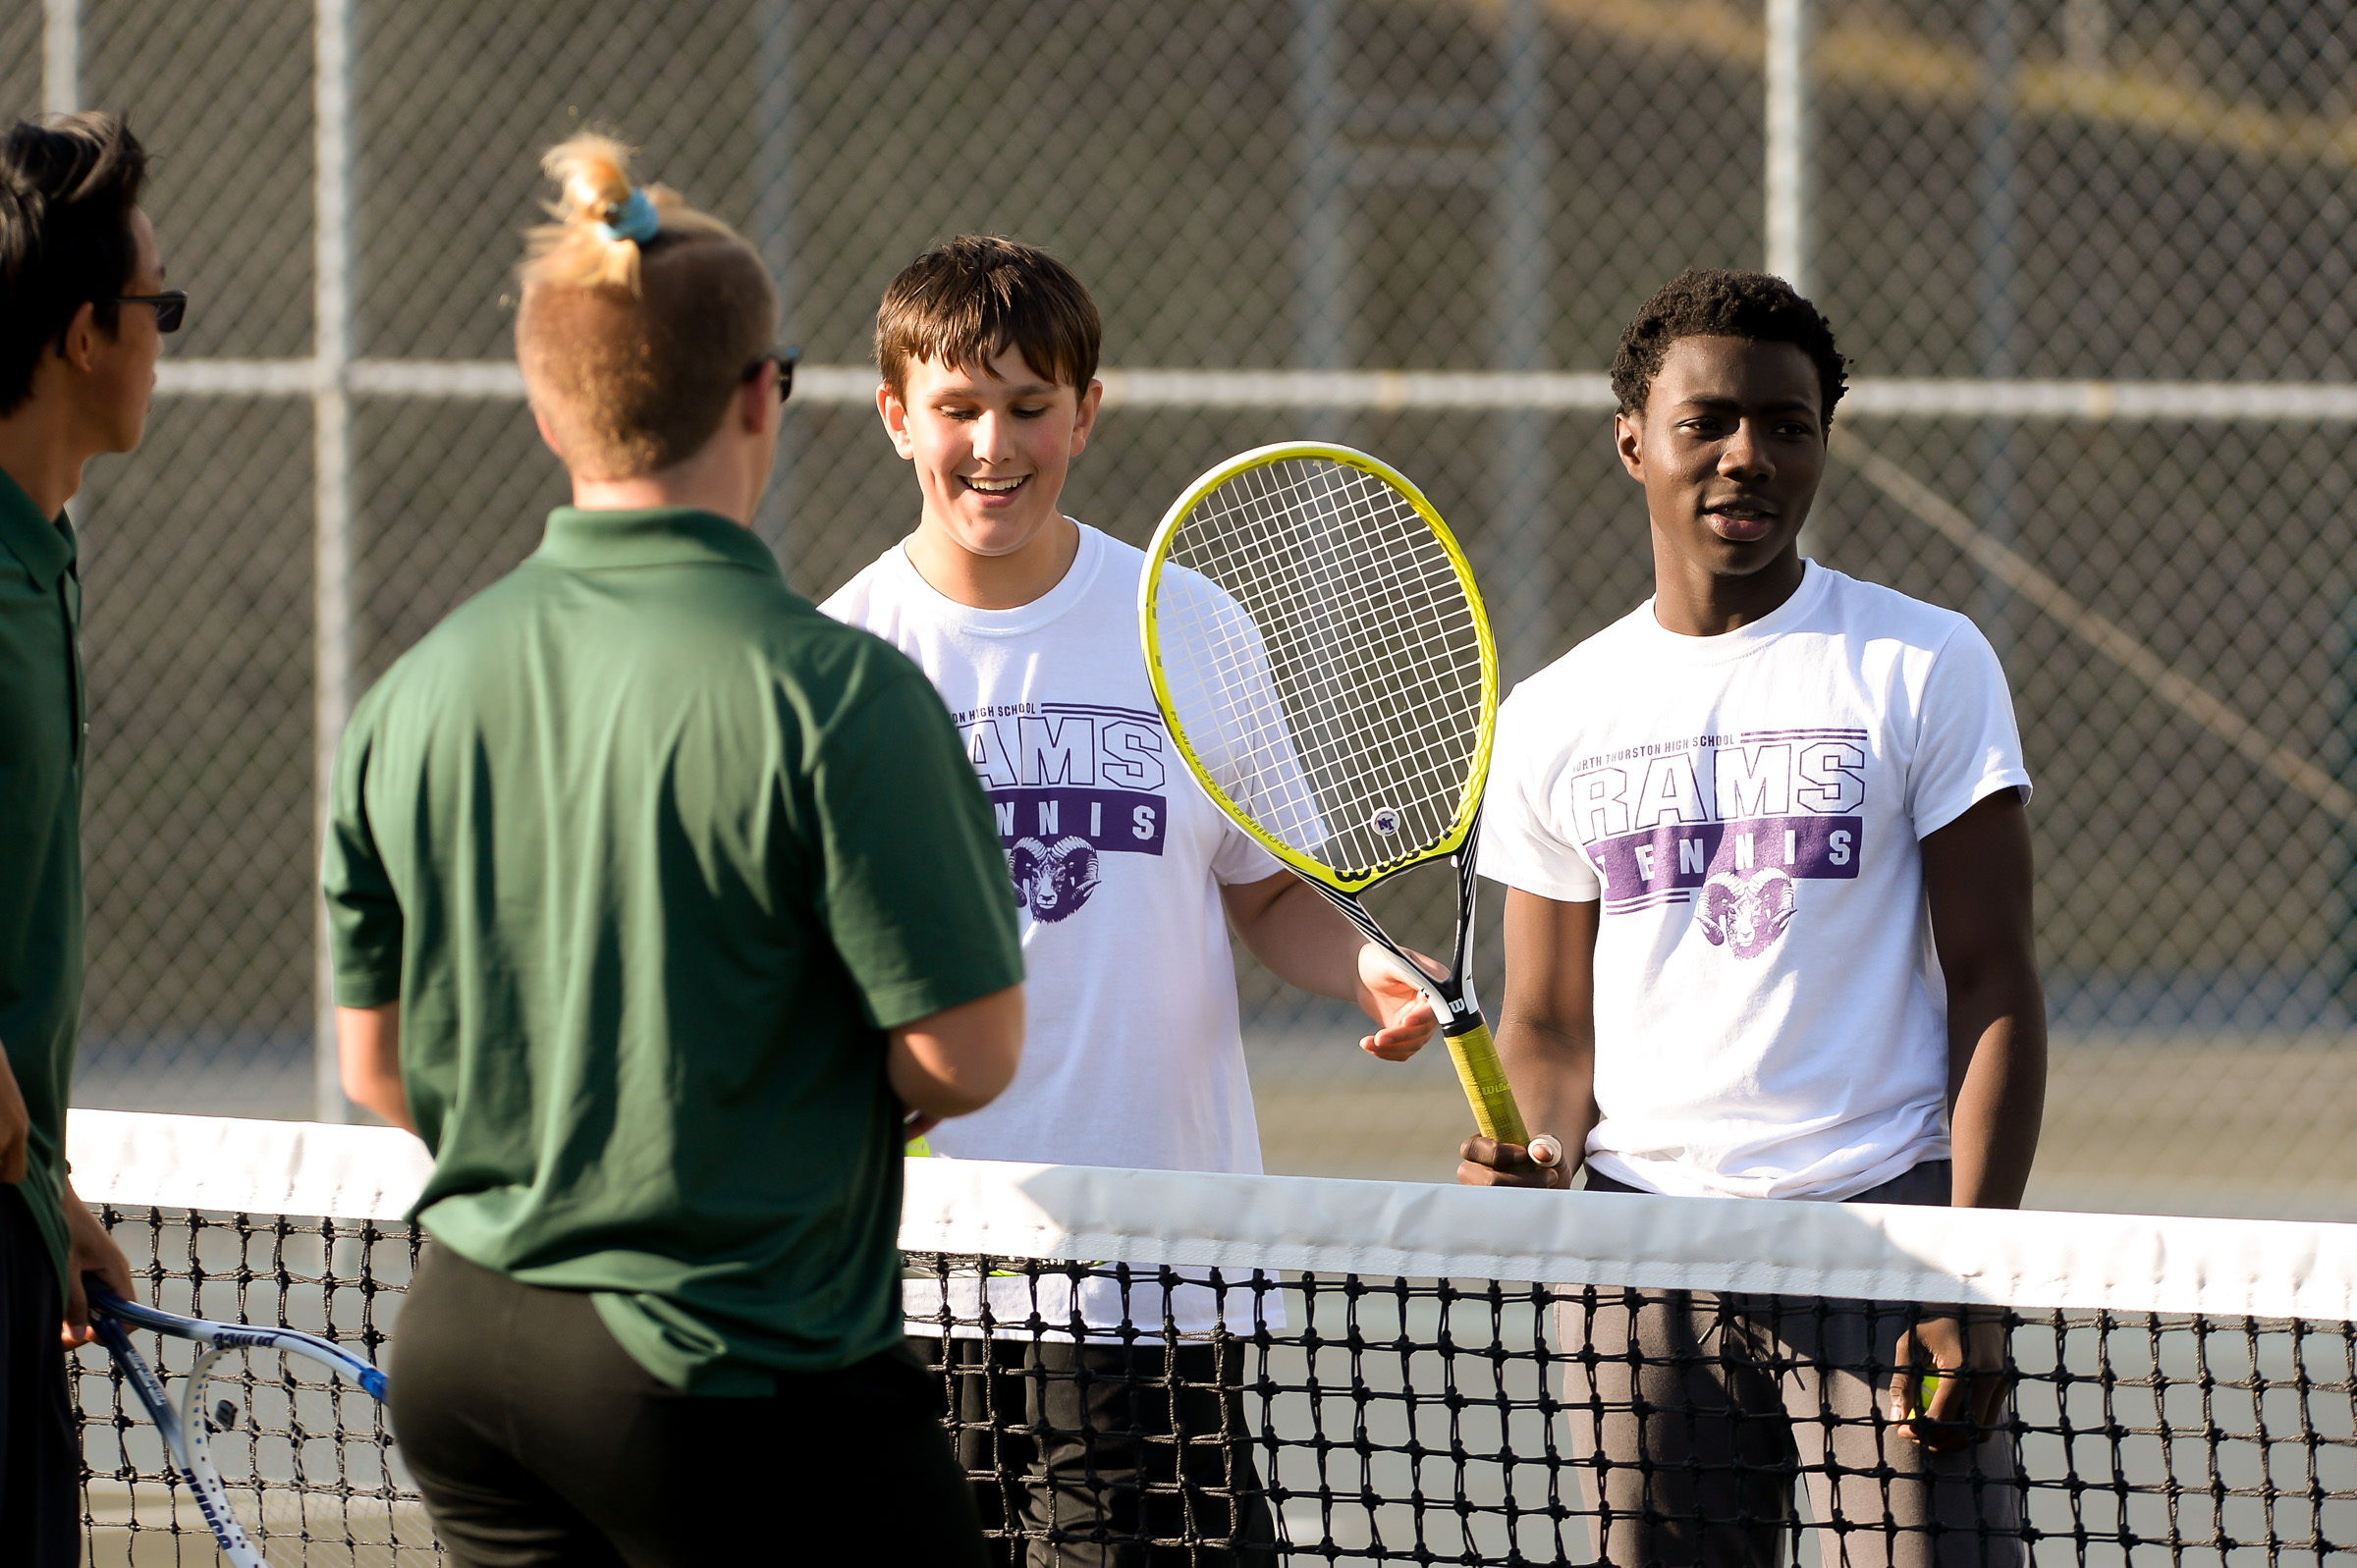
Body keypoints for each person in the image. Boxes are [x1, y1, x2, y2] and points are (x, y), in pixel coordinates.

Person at [323, 137, 1025, 1568]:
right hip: (733, 1360)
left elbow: (375, 1066)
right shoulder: (837, 692)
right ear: (763, 393)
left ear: (547, 411)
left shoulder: (413, 690)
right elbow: (968, 1052)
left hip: (461, 1352)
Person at [822, 235, 1440, 1565]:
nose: (995, 443)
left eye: (1030, 407)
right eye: (958, 408)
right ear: (894, 415)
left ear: (1086, 411)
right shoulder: (840, 663)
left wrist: (1371, 964)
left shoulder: (1192, 627)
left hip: (1157, 1268)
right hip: (919, 1281)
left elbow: (1270, 891)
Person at [1459, 269, 2047, 1567]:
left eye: (1787, 424)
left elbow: (1997, 978)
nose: (1747, 455)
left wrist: (1969, 1269)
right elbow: (1551, 1025)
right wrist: (1536, 1147)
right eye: (1708, 421)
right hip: (1643, 1260)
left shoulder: (1924, 664)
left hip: (1888, 1234)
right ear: (1633, 441)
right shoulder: (1556, 715)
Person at [0, 111, 159, 1564]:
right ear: (83, 334)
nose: (165, 338)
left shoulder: (43, 551)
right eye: (155, 308)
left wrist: (46, 1184)